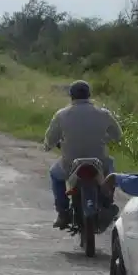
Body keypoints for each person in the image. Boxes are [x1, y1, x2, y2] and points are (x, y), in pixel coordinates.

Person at [43, 80, 123, 229]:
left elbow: (50, 140)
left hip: (70, 165)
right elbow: (118, 135)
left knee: (55, 174)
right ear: (89, 95)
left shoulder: (61, 115)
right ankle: (107, 201)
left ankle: (63, 212)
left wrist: (48, 146)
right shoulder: (103, 114)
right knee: (111, 168)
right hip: (99, 163)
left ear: (71, 96)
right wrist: (104, 139)